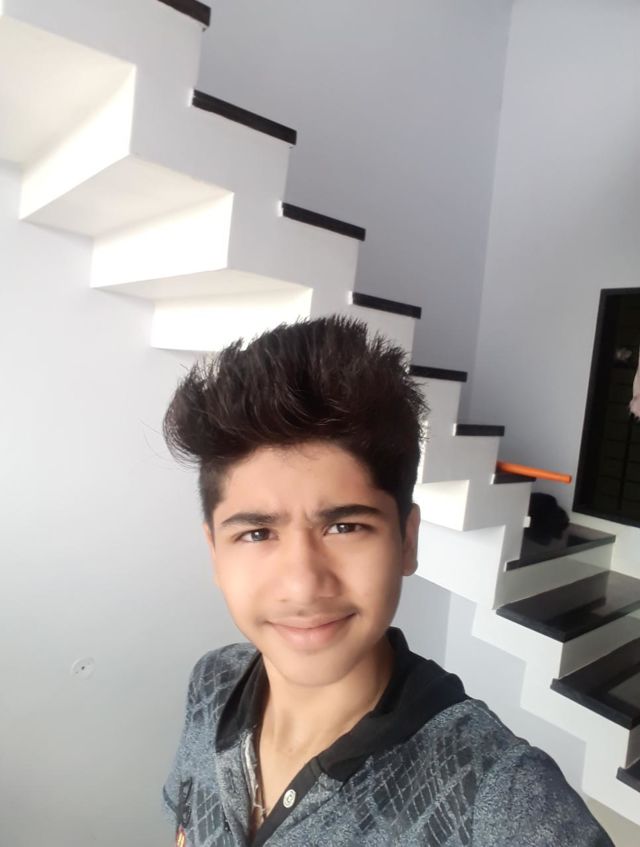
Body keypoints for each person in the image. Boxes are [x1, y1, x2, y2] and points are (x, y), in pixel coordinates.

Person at [160, 315, 613, 846]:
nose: (303, 586)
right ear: (215, 553)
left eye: (344, 527)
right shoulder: (212, 682)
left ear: (407, 541)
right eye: (257, 533)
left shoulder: (502, 798)